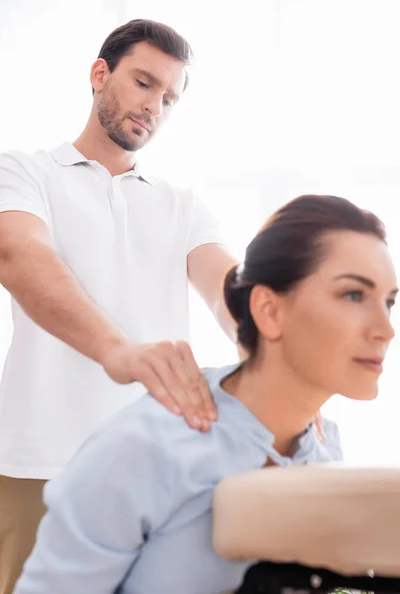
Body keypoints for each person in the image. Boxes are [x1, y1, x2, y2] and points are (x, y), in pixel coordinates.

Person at [13, 194, 397, 594]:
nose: (385, 329)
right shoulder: (143, 449)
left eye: (389, 302)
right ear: (269, 310)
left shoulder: (322, 449)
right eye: (354, 295)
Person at [0, 19, 239, 594]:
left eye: (168, 97)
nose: (154, 106)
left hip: (154, 471)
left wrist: (279, 357)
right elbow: (17, 255)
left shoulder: (182, 205)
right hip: (38, 462)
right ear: (99, 74)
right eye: (143, 82)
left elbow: (234, 291)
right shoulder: (24, 173)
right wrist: (117, 349)